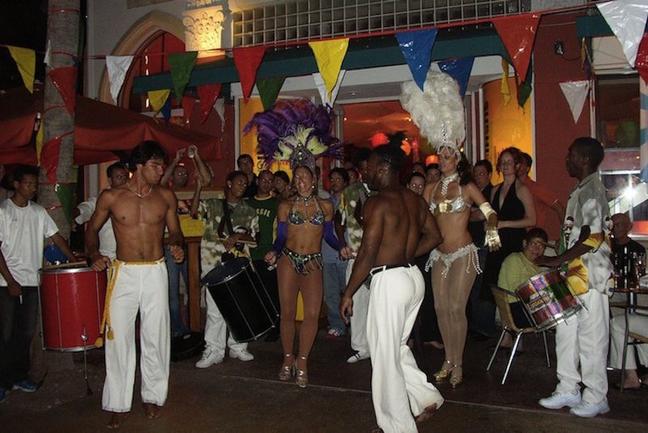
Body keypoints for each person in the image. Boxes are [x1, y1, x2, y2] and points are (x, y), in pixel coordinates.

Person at [340, 145, 444, 433]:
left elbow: (367, 253)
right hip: (412, 279)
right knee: (395, 347)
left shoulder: (378, 203)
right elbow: (435, 236)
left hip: (391, 282)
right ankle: (425, 397)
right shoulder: (415, 200)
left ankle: (396, 426)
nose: (366, 172)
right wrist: (406, 256)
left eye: (370, 167)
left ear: (384, 168)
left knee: (384, 356)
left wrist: (348, 292)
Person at [86, 141, 184, 428]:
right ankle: (117, 402)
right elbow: (91, 229)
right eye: (156, 165)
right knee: (119, 337)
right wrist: (94, 254)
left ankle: (152, 395)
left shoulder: (165, 196)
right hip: (124, 273)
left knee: (156, 335)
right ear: (138, 166)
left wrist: (176, 245)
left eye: (162, 165)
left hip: (155, 271)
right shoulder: (112, 197)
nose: (161, 170)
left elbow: (175, 231)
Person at [537, 137, 612, 418]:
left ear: (584, 159)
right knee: (566, 333)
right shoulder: (580, 189)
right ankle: (568, 388)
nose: (567, 160)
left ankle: (596, 397)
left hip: (591, 276)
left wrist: (557, 259)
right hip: (572, 275)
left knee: (592, 338)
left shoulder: (593, 189)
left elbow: (593, 236)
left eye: (571, 155)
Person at [423, 149, 499, 388]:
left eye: (447, 157)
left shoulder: (467, 187)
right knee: (440, 308)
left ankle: (458, 363)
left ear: (457, 160)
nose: (442, 161)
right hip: (439, 254)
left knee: (456, 307)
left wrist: (492, 228)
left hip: (463, 253)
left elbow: (489, 212)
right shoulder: (430, 188)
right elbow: (420, 218)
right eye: (440, 157)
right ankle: (448, 360)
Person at [0, 165, 76, 402]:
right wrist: (10, 280)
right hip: (6, 282)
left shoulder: (38, 211)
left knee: (25, 333)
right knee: (5, 334)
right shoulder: (3, 211)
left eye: (35, 184)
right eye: (28, 184)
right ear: (16, 184)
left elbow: (56, 237)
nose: (33, 188)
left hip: (32, 280)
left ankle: (19, 376)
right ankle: (2, 382)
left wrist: (73, 258)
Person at [265, 165, 343, 387]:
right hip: (288, 261)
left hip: (313, 262)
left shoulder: (326, 206)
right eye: (296, 178)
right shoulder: (285, 206)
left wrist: (341, 247)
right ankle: (287, 358)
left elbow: (329, 235)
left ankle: (302, 361)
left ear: (314, 179)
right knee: (287, 313)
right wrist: (274, 251)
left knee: (311, 314)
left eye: (304, 177)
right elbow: (281, 237)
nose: (300, 181)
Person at [194, 170, 259, 368]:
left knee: (239, 307)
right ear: (229, 183)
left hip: (238, 264)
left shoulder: (249, 210)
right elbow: (194, 213)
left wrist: (238, 237)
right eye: (239, 182)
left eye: (245, 184)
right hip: (212, 263)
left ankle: (238, 346)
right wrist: (198, 187)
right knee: (215, 310)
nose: (243, 186)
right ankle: (214, 350)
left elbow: (255, 237)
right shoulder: (213, 204)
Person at [484, 147, 536, 337]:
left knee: (512, 287)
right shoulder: (495, 190)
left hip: (513, 242)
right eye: (503, 162)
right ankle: (505, 332)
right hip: (497, 243)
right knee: (497, 287)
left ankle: (514, 333)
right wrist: (489, 226)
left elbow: (532, 220)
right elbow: (491, 216)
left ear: (517, 165)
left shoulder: (522, 190)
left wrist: (505, 223)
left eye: (509, 162)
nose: (505, 165)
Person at [338, 148, 373, 363]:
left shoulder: (384, 193)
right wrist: (342, 244)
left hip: (380, 259)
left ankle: (378, 347)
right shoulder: (350, 192)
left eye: (371, 168)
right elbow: (338, 220)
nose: (368, 171)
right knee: (357, 303)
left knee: (378, 305)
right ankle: (360, 346)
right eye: (364, 168)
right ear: (360, 170)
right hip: (355, 256)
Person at [497, 228, 548, 348]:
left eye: (541, 246)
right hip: (515, 312)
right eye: (534, 244)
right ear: (525, 243)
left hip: (524, 308)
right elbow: (517, 288)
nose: (537, 249)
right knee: (564, 314)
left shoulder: (536, 267)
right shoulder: (514, 259)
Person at [247, 169, 280, 340]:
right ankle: (257, 327)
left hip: (268, 255)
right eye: (264, 180)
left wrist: (276, 251)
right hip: (249, 254)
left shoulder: (276, 204)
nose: (267, 183)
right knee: (253, 294)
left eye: (270, 180)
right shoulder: (247, 203)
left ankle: (274, 328)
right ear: (257, 181)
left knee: (270, 293)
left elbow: (282, 231)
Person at [73, 162, 129, 261]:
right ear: (110, 180)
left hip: (129, 258)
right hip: (108, 256)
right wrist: (73, 212)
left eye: (125, 177)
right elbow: (87, 208)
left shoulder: (132, 199)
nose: (123, 181)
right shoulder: (102, 199)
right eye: (119, 177)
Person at [468, 159, 495, 338]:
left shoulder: (491, 192)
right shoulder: (472, 193)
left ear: (489, 175)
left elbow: (482, 215)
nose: (478, 177)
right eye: (476, 174)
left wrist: (467, 214)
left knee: (481, 285)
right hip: (471, 244)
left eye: (482, 173)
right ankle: (474, 325)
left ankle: (483, 328)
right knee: (471, 285)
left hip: (483, 244)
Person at [322, 167, 349, 338]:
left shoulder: (352, 200)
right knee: (331, 293)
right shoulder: (326, 202)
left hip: (346, 252)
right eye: (332, 179)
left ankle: (353, 322)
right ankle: (337, 324)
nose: (334, 182)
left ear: (346, 182)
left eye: (338, 179)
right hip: (327, 252)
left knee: (348, 290)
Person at [518, 152, 565, 241]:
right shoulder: (510, 189)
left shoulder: (535, 188)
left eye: (520, 163)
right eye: (516, 162)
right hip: (518, 238)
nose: (517, 166)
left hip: (535, 239)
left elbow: (560, 208)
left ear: (527, 168)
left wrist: (565, 236)